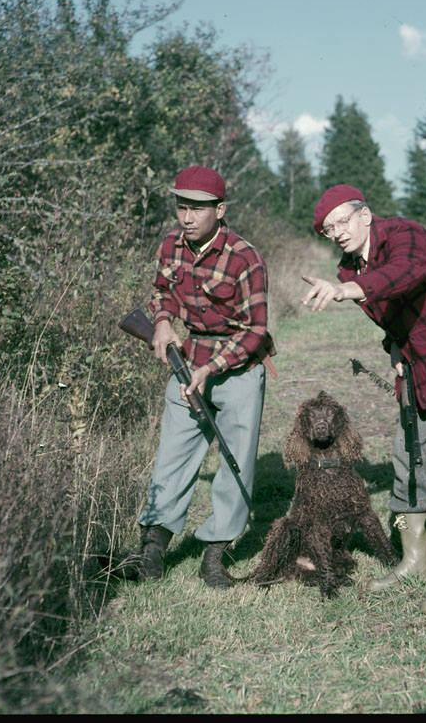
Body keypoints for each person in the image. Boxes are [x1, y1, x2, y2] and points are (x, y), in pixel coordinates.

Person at [301, 184, 426, 614]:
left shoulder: (406, 235)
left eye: (342, 221)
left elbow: (405, 273)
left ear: (365, 214)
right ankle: (415, 562)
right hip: (418, 367)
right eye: (327, 229)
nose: (336, 233)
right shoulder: (350, 267)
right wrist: (393, 344)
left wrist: (348, 290)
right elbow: (393, 312)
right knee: (408, 459)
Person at [116, 166, 276, 589]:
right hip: (187, 363)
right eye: (181, 207)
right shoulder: (171, 244)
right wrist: (162, 321)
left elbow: (256, 330)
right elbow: (162, 291)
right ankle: (151, 554)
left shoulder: (246, 258)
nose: (187, 218)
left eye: (197, 209)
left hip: (239, 369)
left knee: (236, 463)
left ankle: (214, 556)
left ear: (219, 210)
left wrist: (211, 368)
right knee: (172, 457)